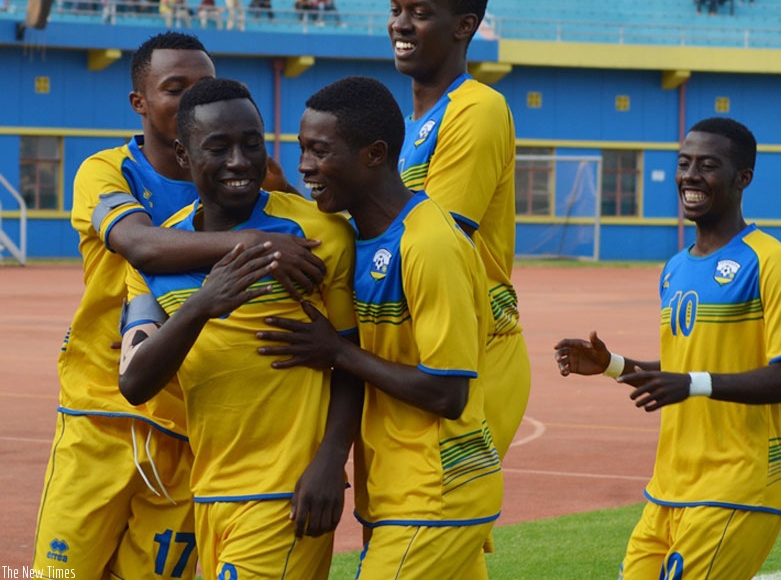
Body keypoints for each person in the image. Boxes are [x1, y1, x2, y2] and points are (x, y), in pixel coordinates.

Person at [31, 32, 327, 579]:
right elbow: (141, 245)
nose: (193, 97)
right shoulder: (108, 171)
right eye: (175, 88)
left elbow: (305, 231)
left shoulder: (245, 172)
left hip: (193, 427)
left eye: (204, 85)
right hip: (102, 412)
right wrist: (256, 245)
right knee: (56, 574)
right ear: (139, 102)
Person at [258, 75, 503, 580]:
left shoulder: (428, 244)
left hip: (436, 493)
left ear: (374, 154)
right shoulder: (360, 237)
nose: (304, 165)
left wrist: (336, 351)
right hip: (399, 489)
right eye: (302, 149)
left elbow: (449, 392)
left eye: (320, 151)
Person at [117, 77, 360, 580]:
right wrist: (203, 305)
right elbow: (135, 382)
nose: (240, 162)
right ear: (183, 155)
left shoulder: (321, 235)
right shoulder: (158, 257)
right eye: (218, 147)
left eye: (252, 144)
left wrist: (331, 460)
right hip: (209, 492)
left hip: (288, 492)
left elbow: (351, 358)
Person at [554, 117, 781, 580]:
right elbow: (682, 368)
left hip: (738, 487)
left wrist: (693, 384)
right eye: (683, 163)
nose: (690, 176)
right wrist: (614, 365)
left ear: (743, 178)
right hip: (669, 488)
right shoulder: (674, 269)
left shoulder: (769, 262)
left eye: (707, 166)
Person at [390, 0, 531, 469]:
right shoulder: (407, 128)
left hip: (474, 355)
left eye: (420, 12)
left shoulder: (477, 108)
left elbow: (436, 243)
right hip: (429, 354)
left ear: (464, 26)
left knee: (440, 510)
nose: (401, 24)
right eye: (396, 9)